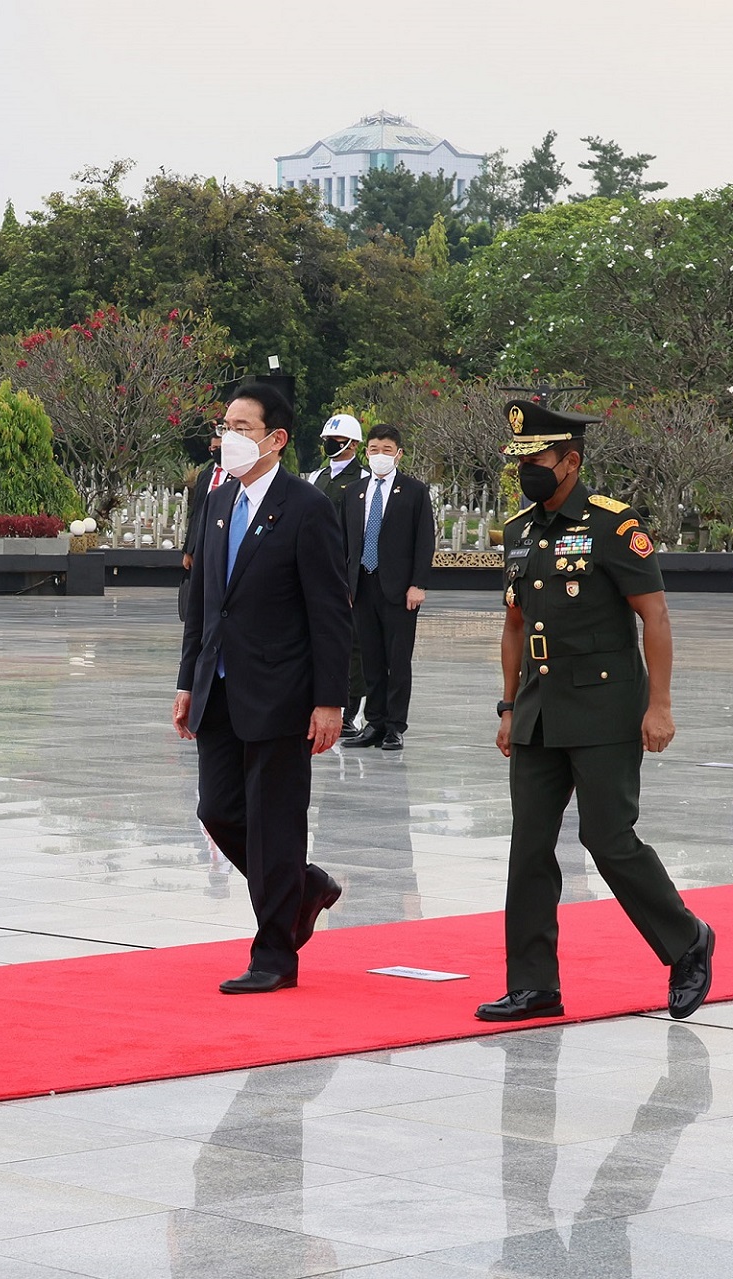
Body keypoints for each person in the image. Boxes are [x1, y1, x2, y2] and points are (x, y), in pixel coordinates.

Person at [479, 400, 712, 1024]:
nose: (526, 469)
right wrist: (507, 706)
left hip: (606, 710)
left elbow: (654, 616)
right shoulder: (521, 530)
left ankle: (687, 940)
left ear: (571, 462)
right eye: (519, 460)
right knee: (528, 848)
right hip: (537, 713)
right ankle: (533, 984)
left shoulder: (613, 524)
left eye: (537, 459)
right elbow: (513, 624)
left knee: (607, 840)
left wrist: (659, 705)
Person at [173, 380, 352, 994]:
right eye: (225, 426)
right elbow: (201, 601)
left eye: (243, 428)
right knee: (217, 810)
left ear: (276, 440)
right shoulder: (218, 501)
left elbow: (331, 611)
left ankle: (275, 954)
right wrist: (187, 679)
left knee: (275, 821)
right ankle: (302, 889)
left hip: (283, 692)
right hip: (218, 687)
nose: (229, 438)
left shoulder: (307, 507)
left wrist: (330, 700)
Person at [342, 424, 434, 751]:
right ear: (365, 452)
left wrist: (418, 584)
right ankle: (374, 722)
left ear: (399, 453)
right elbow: (345, 542)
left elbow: (425, 541)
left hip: (399, 589)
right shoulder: (354, 493)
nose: (379, 455)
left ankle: (395, 726)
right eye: (373, 449)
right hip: (362, 586)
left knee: (397, 660)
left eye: (386, 449)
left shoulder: (414, 491)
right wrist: (345, 584)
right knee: (370, 660)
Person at [313, 413, 369, 737]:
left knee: (353, 644)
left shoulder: (362, 477)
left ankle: (350, 709)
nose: (330, 445)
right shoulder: (317, 476)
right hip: (318, 566)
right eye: (327, 440)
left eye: (336, 441)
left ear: (354, 444)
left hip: (348, 570)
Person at [179, 427, 225, 621]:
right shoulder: (205, 475)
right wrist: (188, 550)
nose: (216, 452)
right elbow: (195, 512)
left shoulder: (239, 476)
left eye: (220, 448)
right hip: (200, 543)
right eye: (213, 448)